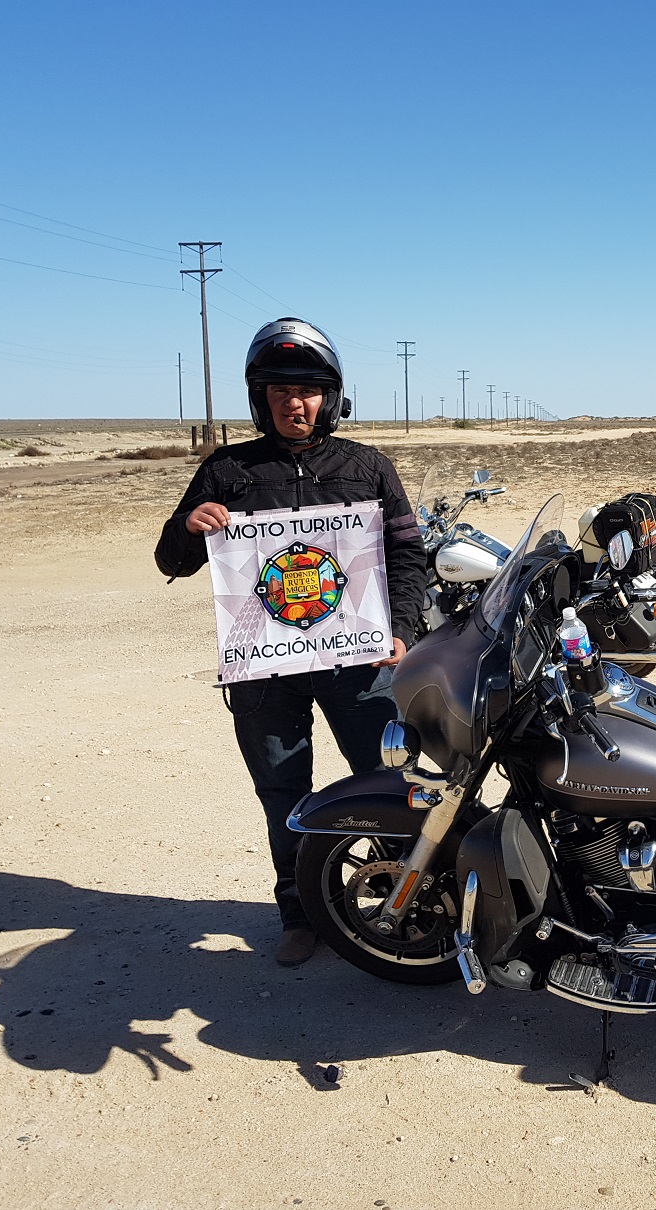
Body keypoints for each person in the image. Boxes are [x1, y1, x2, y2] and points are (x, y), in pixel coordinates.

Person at [155, 318, 428, 967]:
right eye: (277, 389)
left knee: (385, 782)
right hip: (264, 668)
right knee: (283, 790)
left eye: (306, 389)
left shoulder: (367, 467)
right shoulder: (226, 470)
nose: (292, 402)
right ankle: (299, 910)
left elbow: (408, 555)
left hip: (358, 663)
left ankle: (397, 901)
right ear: (259, 397)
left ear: (329, 396)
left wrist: (403, 629)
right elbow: (172, 559)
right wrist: (191, 528)